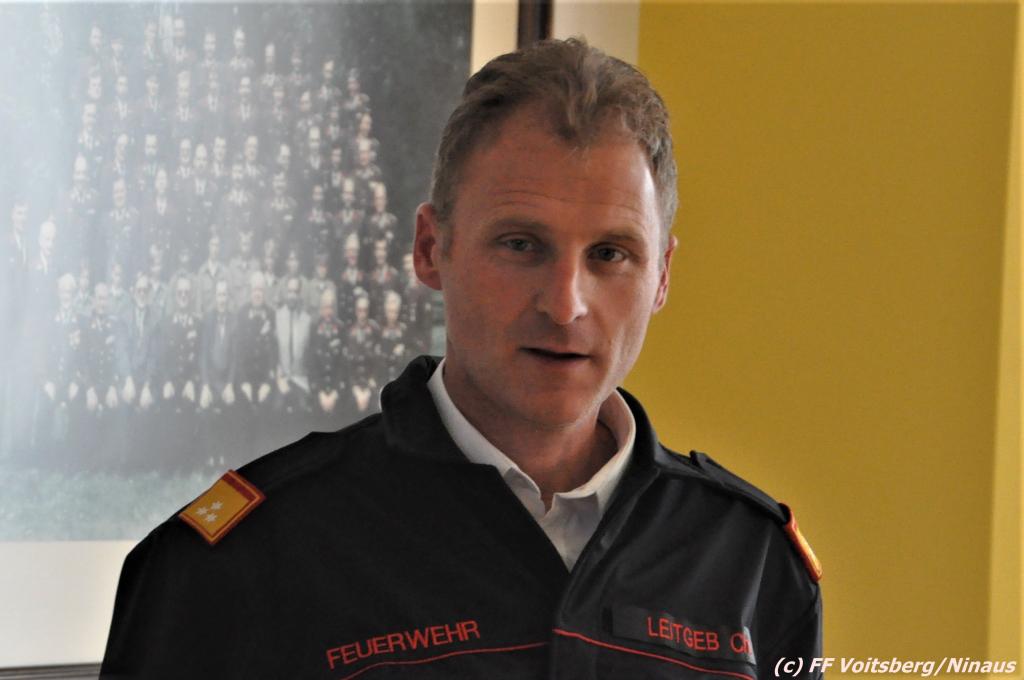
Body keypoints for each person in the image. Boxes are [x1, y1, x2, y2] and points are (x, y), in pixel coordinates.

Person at [101, 38, 822, 679]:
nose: (565, 304)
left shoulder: (752, 562)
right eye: (520, 245)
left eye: (610, 254)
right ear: (430, 249)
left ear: (661, 277)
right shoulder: (245, 561)